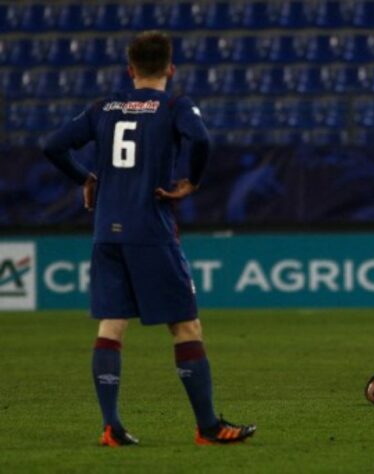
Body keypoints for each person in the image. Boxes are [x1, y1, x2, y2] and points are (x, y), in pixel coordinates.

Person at [42, 31, 256, 446]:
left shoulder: (104, 106)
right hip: (151, 231)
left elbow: (53, 146)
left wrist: (86, 178)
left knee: (112, 324)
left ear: (130, 69)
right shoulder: (173, 105)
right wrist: (190, 181)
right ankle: (208, 426)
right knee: (186, 325)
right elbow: (201, 138)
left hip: (106, 232)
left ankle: (111, 425)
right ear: (170, 69)